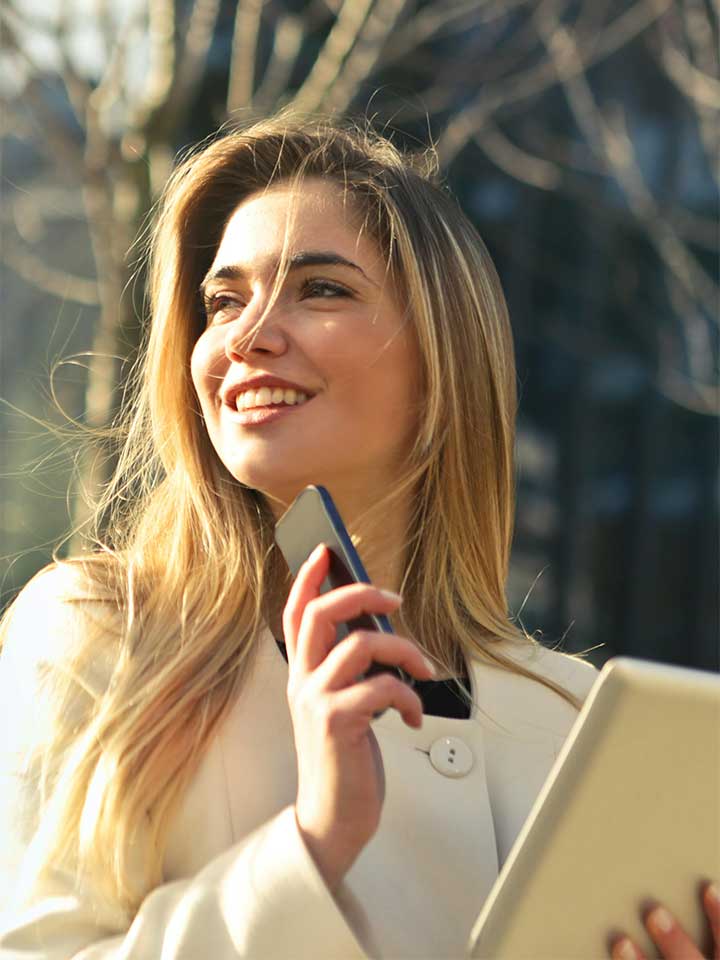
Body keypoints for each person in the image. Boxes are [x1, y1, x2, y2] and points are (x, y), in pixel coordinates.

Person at [0, 114, 716, 960]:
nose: (245, 335)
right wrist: (310, 843)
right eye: (223, 300)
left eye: (321, 289)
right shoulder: (101, 633)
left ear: (443, 356)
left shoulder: (575, 716)